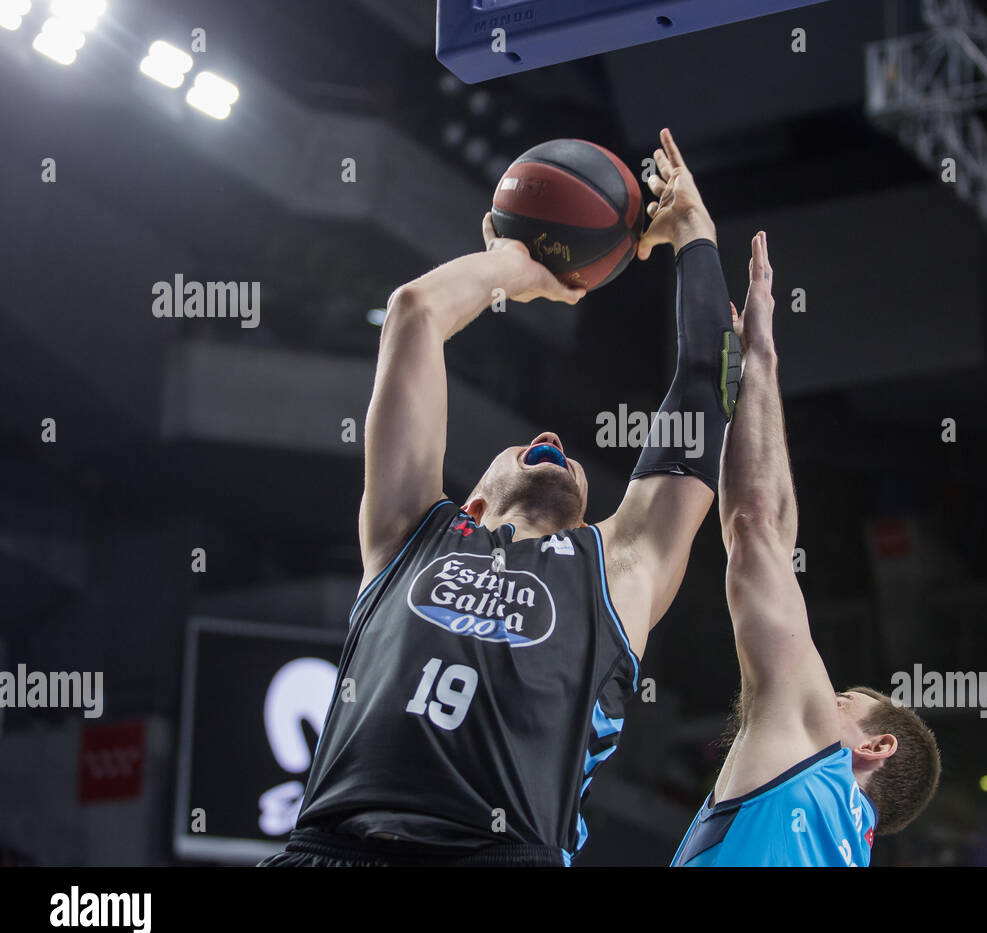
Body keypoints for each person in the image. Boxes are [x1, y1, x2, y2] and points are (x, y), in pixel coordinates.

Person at [260, 128, 740, 867]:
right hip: (332, 850)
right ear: (471, 504)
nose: (552, 436)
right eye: (532, 445)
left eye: (575, 462)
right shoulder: (407, 533)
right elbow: (415, 311)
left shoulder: (616, 568)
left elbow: (706, 385)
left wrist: (696, 238)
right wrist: (514, 264)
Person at [672, 232, 940, 867]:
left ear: (873, 747)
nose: (818, 692)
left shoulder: (818, 755)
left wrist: (759, 358)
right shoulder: (842, 844)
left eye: (838, 700)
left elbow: (756, 524)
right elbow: (765, 532)